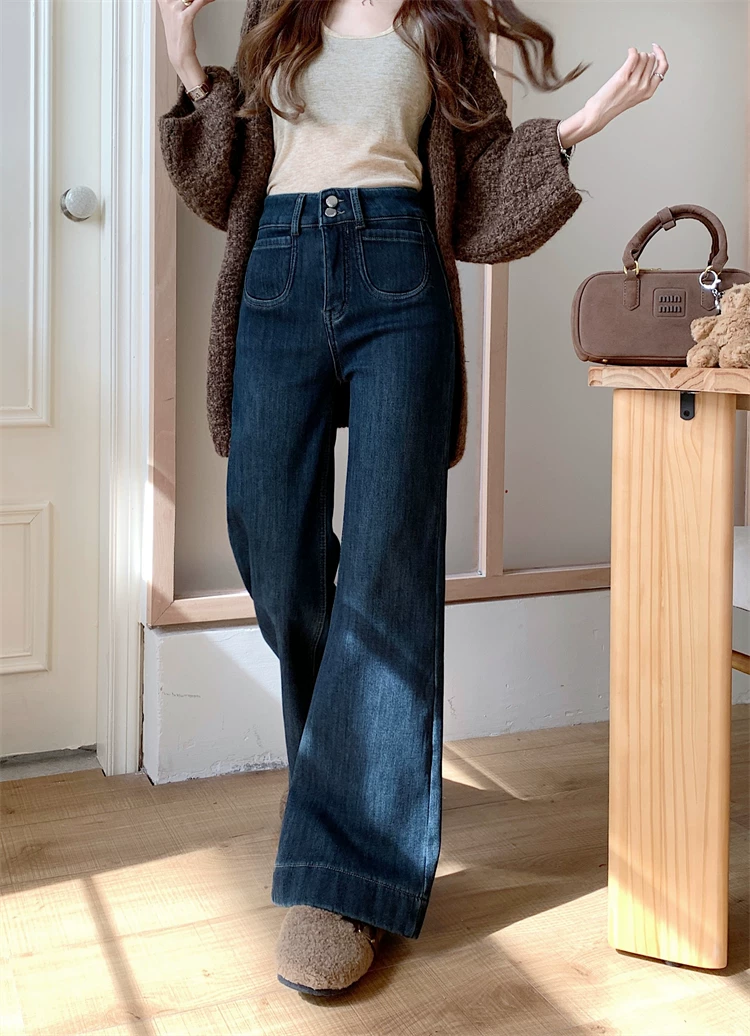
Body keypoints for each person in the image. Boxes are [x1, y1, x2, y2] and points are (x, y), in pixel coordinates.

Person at [156, 0, 667, 998]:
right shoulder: (278, 15)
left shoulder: (441, 25)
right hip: (278, 273)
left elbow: (477, 200)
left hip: (399, 277)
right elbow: (221, 190)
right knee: (269, 538)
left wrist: (581, 125)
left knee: (388, 569)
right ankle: (352, 784)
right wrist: (186, 64)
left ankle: (347, 882)